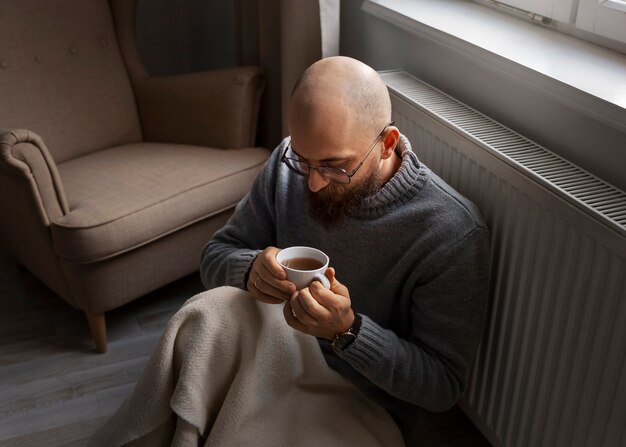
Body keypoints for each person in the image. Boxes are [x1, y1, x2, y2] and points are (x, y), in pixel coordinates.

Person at [200, 56, 490, 440]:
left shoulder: (450, 232)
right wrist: (250, 268)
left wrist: (348, 332)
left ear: (386, 144)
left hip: (362, 401)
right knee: (200, 315)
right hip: (272, 358)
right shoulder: (287, 165)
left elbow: (440, 387)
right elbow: (214, 255)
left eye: (334, 166)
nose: (314, 184)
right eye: (304, 160)